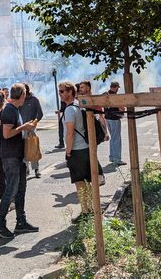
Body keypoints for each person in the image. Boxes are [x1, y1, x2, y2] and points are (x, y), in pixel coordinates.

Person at [0, 83, 39, 239]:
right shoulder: (10, 110)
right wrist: (23, 127)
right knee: (11, 191)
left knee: (20, 190)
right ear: (23, 94)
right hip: (10, 157)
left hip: (17, 156)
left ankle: (21, 222)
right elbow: (6, 134)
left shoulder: (14, 109)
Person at [60, 82, 104, 222]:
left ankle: (86, 212)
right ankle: (90, 209)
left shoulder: (69, 110)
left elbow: (70, 134)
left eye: (61, 91)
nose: (60, 94)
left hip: (76, 150)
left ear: (69, 92)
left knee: (80, 183)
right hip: (85, 148)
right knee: (87, 182)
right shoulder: (79, 105)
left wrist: (68, 152)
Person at [19, 83, 44, 179]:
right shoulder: (19, 100)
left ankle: (36, 169)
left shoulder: (34, 100)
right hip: (22, 127)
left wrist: (34, 123)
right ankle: (26, 168)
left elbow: (40, 114)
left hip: (32, 128)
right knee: (24, 148)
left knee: (33, 148)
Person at [103, 82, 125, 166]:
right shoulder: (115, 96)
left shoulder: (105, 95)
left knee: (113, 138)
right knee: (116, 139)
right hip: (115, 118)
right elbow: (121, 107)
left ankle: (112, 157)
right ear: (116, 88)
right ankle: (117, 159)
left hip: (107, 118)